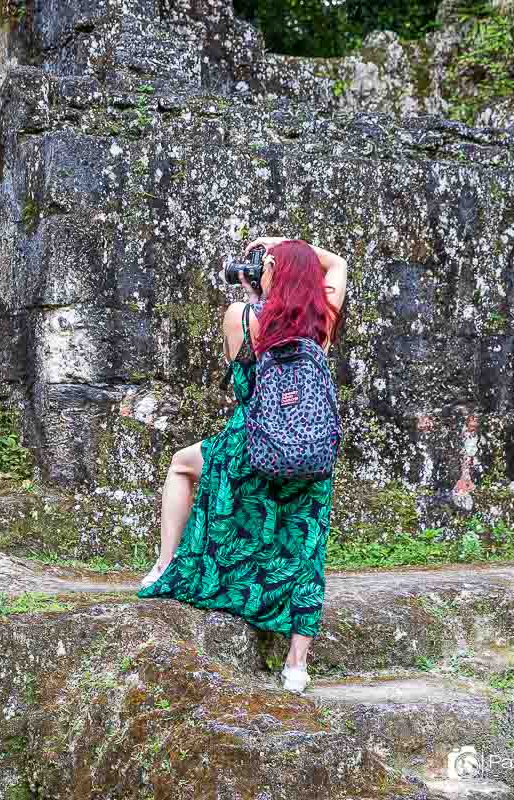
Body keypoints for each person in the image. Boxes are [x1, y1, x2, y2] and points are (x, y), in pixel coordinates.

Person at [137, 237, 348, 694]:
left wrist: (262, 276)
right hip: (309, 452)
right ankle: (296, 665)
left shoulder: (242, 317)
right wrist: (287, 249)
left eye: (265, 265)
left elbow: (243, 389)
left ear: (269, 271)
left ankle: (166, 564)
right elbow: (338, 264)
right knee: (306, 548)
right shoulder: (322, 321)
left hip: (252, 448)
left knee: (181, 466)